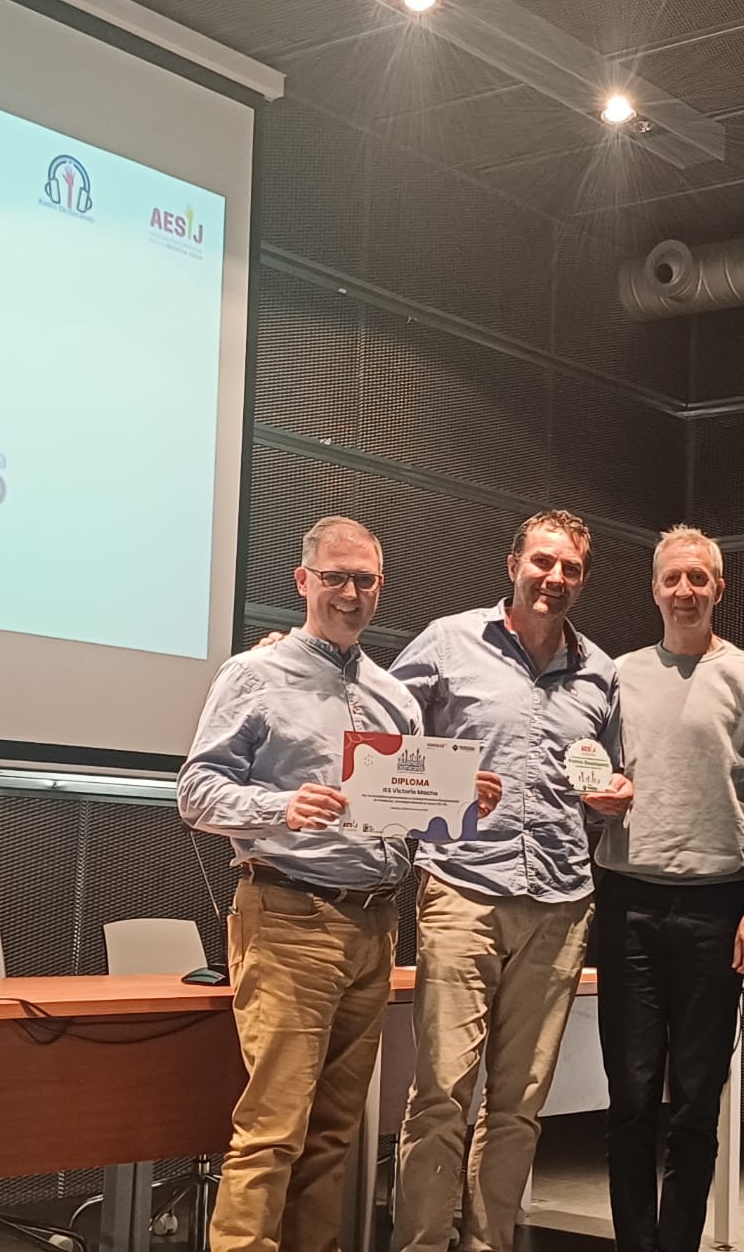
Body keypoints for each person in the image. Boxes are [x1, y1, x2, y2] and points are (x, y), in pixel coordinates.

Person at [179, 515, 500, 1252]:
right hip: (289, 914)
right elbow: (195, 792)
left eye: (365, 580)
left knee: (333, 1136)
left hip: (374, 926)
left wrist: (458, 803)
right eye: (335, 578)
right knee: (273, 1131)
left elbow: (401, 815)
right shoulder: (254, 675)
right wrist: (279, 806)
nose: (350, 593)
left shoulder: (394, 696)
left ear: (380, 588)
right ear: (303, 581)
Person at [389, 509, 632, 1252]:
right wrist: (446, 783)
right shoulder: (448, 641)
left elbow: (611, 774)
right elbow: (379, 743)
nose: (554, 578)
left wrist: (616, 793)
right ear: (513, 564)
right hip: (461, 887)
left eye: (570, 569)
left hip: (561, 902)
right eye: (542, 562)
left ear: (583, 579)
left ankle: (487, 1243)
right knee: (441, 1093)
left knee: (521, 1104)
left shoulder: (601, 672)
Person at [591, 525, 744, 1252]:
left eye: (698, 579)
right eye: (672, 578)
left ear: (719, 589)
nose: (685, 591)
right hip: (627, 904)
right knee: (630, 1096)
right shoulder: (614, 677)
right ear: (654, 589)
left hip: (718, 909)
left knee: (696, 1100)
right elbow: (586, 775)